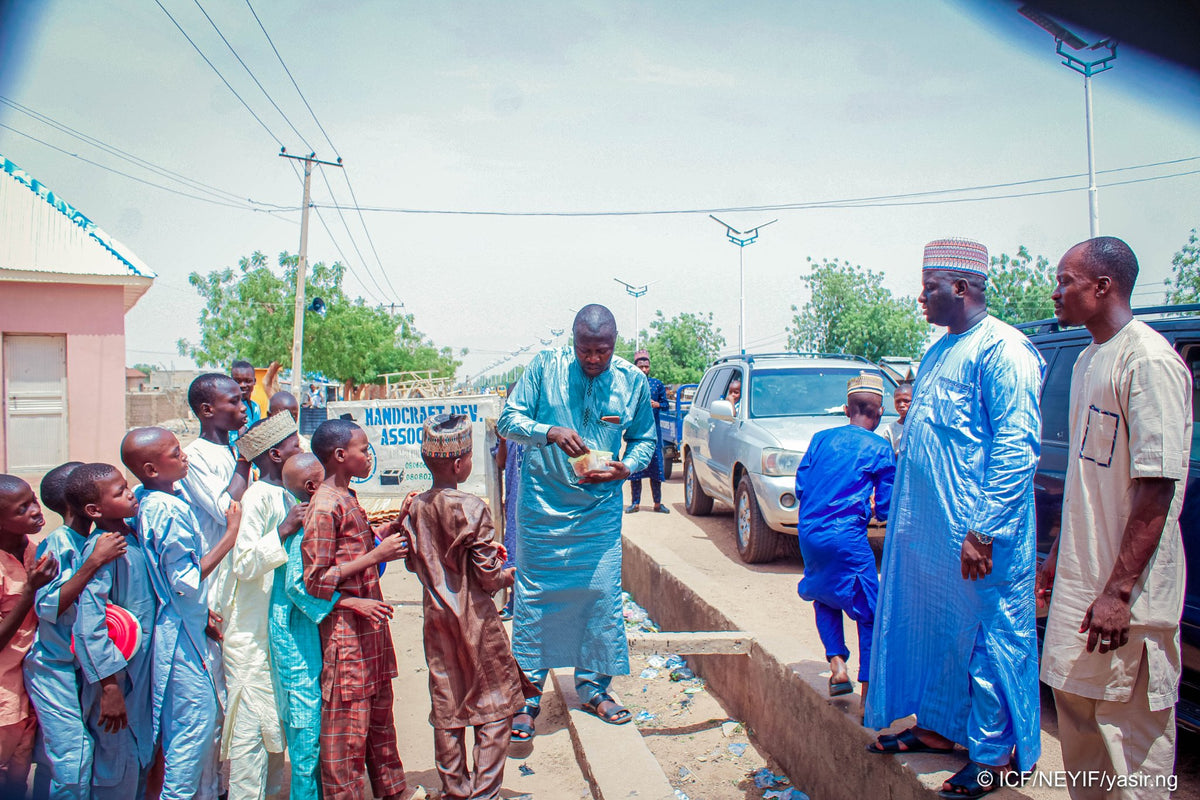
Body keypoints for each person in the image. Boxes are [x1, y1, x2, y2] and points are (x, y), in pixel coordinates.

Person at [865, 238, 1044, 796]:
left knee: (987, 639)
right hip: (934, 539)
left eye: (929, 288)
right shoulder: (941, 349)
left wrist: (983, 529)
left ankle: (991, 756)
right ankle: (942, 731)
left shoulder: (1003, 351)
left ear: (960, 288)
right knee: (940, 629)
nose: (921, 298)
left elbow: (1016, 445)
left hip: (979, 535)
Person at [1037, 237, 1190, 799]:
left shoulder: (1146, 361)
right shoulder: (1087, 360)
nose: (1055, 292)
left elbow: (1157, 487)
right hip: (1083, 589)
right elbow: (1085, 481)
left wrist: (1118, 592)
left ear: (1103, 286)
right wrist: (1056, 557)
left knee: (1130, 745)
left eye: (1065, 280)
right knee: (1081, 733)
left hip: (1127, 601)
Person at [497, 304, 656, 741]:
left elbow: (645, 440)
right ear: (573, 342)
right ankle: (526, 698)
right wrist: (548, 430)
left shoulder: (632, 381)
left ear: (614, 344)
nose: (592, 359)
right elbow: (509, 420)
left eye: (601, 351)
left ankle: (593, 687)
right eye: (585, 349)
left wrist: (625, 467)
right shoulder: (545, 366)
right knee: (536, 599)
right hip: (542, 511)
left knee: (600, 596)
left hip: (598, 512)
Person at [402, 414, 537, 800]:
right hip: (475, 621)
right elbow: (489, 580)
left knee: (448, 705)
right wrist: (511, 573)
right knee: (495, 706)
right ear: (460, 463)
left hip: (437, 621)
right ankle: (484, 793)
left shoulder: (415, 507)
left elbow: (415, 562)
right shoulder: (471, 507)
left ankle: (456, 789)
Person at [302, 419, 422, 800]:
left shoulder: (347, 497)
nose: (368, 456)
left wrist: (396, 523)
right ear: (340, 456)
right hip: (346, 636)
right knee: (346, 735)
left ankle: (393, 791)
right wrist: (375, 554)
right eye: (363, 449)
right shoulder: (324, 506)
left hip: (370, 630)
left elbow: (360, 548)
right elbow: (316, 579)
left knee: (380, 722)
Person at [122, 426, 241, 800]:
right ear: (151, 469)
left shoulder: (155, 498)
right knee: (192, 731)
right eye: (175, 454)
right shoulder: (165, 510)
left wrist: (201, 611)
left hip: (188, 623)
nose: (185, 457)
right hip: (179, 639)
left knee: (198, 727)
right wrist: (230, 535)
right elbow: (185, 579)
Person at [24, 463, 126, 799]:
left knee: (68, 755)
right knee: (73, 756)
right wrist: (93, 563)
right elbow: (50, 607)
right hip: (53, 666)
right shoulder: (59, 543)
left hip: (78, 668)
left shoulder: (94, 539)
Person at [794, 372, 895, 702]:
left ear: (847, 409)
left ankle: (837, 665)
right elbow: (885, 507)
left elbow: (801, 486)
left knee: (824, 595)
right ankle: (868, 696)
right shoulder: (880, 447)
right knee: (869, 610)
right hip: (845, 538)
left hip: (809, 534)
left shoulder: (821, 438)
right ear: (879, 412)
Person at [219, 414, 305, 799]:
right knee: (251, 734)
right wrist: (284, 529)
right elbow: (244, 562)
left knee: (276, 733)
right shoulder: (255, 498)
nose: (300, 452)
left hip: (279, 631)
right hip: (250, 635)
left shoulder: (290, 493)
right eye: (294, 446)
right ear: (275, 453)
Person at [178, 372, 249, 798]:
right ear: (208, 410)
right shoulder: (193, 459)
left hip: (238, 580)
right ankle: (205, 789)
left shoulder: (233, 452)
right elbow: (228, 509)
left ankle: (225, 785)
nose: (243, 409)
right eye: (234, 402)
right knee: (212, 699)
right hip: (211, 583)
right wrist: (244, 464)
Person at [68, 463, 157, 799]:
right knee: (114, 766)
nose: (130, 494)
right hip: (116, 683)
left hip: (139, 677)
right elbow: (90, 623)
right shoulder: (103, 549)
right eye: (119, 492)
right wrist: (109, 686)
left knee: (138, 760)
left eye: (126, 486)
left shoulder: (134, 535)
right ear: (94, 510)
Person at [271, 453, 357, 800]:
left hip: (303, 636)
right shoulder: (304, 526)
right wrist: (345, 603)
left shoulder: (310, 517)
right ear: (311, 487)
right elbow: (296, 585)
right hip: (294, 640)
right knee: (305, 733)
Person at [0, 474, 59, 795]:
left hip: (35, 687)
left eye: (33, 501)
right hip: (5, 694)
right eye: (22, 509)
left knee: (21, 779)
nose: (36, 511)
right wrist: (28, 592)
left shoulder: (36, 550)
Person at [626, 350, 670, 515]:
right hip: (636, 433)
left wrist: (657, 404)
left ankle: (657, 504)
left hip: (654, 434)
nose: (644, 369)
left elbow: (666, 405)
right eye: (641, 366)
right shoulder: (630, 385)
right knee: (635, 468)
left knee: (656, 470)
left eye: (646, 366)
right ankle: (635, 504)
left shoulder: (657, 384)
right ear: (635, 366)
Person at [229, 361, 263, 449]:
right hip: (234, 456)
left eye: (248, 381)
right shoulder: (228, 407)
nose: (242, 385)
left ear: (254, 381)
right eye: (237, 381)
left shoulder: (256, 407)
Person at [879, 381, 913, 458]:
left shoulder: (920, 427)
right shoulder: (891, 429)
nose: (901, 405)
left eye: (906, 401)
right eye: (898, 401)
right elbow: (886, 454)